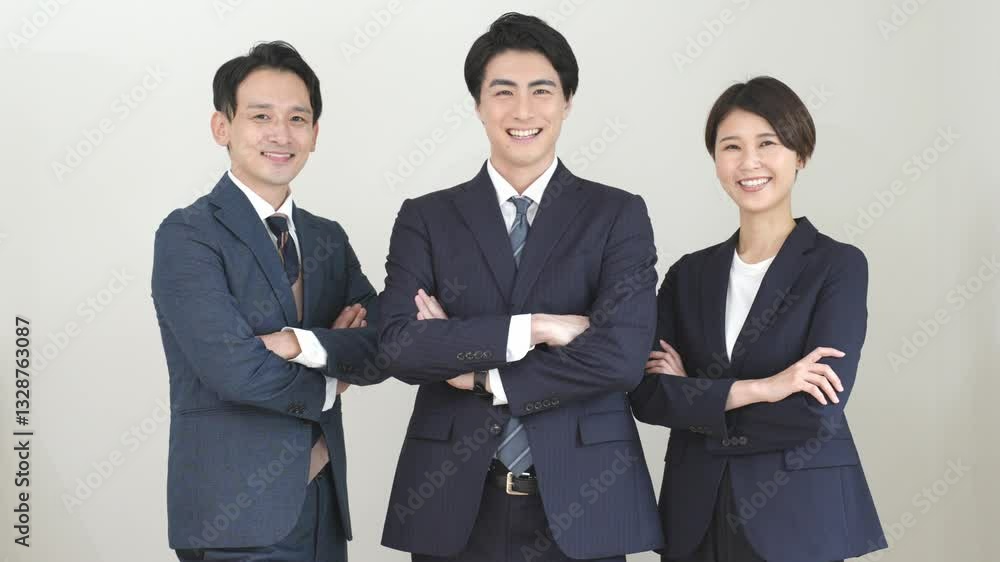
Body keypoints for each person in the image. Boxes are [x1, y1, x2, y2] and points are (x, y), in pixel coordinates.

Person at [377, 12, 664, 562]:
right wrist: (538, 328)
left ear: (567, 101)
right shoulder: (427, 218)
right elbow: (398, 346)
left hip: (586, 500)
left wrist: (479, 373)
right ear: (478, 104)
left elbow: (621, 358)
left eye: (542, 91)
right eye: (503, 91)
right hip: (453, 502)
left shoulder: (617, 214)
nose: (523, 111)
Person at [630, 76, 886, 562]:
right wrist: (765, 388)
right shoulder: (688, 274)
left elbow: (816, 411)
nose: (749, 162)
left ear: (800, 154)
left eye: (767, 143)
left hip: (798, 517)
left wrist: (699, 402)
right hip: (695, 517)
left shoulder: (837, 266)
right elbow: (647, 394)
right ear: (715, 160)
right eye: (731, 146)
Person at [151, 41, 386, 562]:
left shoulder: (327, 237)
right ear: (222, 127)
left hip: (324, 508)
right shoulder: (188, 235)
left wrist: (294, 343)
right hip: (233, 517)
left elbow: (381, 344)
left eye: (297, 118)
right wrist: (333, 375)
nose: (281, 134)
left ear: (315, 133)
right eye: (261, 116)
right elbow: (234, 371)